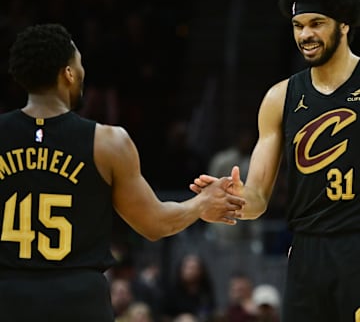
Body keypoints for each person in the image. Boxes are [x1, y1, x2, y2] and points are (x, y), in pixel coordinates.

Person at [0, 23, 245, 322]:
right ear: (68, 73)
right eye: (80, 64)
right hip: (78, 301)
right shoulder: (108, 142)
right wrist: (201, 204)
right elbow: (154, 224)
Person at [190, 0, 360, 321]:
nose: (305, 35)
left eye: (317, 24)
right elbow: (257, 201)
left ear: (344, 23)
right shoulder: (279, 98)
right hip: (306, 251)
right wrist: (231, 199)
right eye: (298, 26)